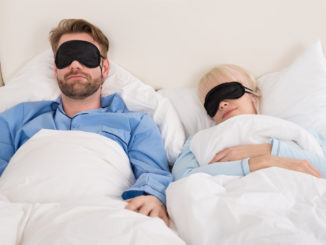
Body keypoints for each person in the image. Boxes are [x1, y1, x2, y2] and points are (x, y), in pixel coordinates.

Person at [0, 19, 171, 226]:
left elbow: (153, 173)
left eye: (85, 56)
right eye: (66, 58)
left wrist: (152, 196)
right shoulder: (17, 117)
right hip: (15, 212)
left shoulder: (136, 123)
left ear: (104, 68)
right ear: (56, 70)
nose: (75, 65)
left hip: (101, 215)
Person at [172, 64, 326, 180]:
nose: (221, 104)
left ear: (254, 96)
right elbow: (183, 179)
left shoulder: (295, 132)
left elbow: (322, 167)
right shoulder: (197, 142)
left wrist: (266, 151)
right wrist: (257, 163)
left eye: (230, 92)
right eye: (212, 103)